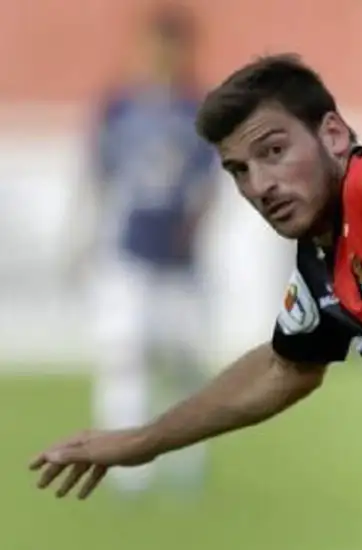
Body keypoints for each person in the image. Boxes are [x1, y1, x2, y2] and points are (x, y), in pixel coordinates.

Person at [32, 54, 362, 550]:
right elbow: (284, 367)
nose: (260, 185)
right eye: (239, 170)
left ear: (334, 135)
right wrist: (140, 442)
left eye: (274, 151)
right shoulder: (321, 260)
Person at [77, 4, 217, 494]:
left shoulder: (197, 110)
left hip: (179, 260)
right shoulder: (119, 105)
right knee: (124, 355)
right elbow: (99, 173)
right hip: (129, 253)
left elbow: (209, 181)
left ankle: (186, 463)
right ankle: (125, 467)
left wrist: (197, 225)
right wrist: (87, 236)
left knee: (183, 363)